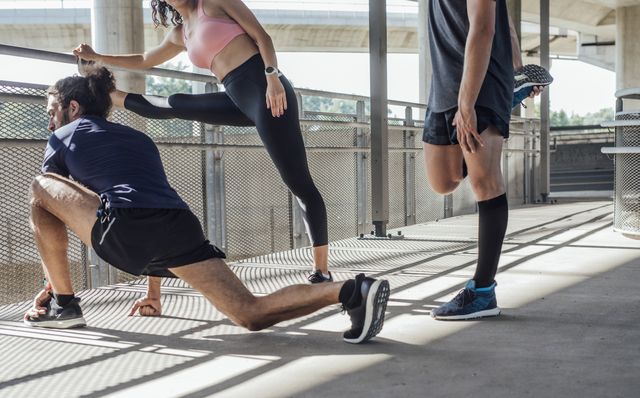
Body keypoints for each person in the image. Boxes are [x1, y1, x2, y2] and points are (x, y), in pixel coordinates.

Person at [22, 67, 390, 345]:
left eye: (53, 110)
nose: (50, 120)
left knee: (39, 187)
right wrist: (152, 295)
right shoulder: (138, 138)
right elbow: (147, 202)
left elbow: (53, 203)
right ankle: (351, 291)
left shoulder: (63, 136)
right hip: (179, 225)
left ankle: (64, 304)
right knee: (249, 313)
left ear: (73, 107)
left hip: (126, 226)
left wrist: (52, 285)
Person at [73, 0, 333, 285]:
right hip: (235, 97)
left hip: (268, 94)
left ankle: (321, 270)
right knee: (175, 103)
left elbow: (262, 37)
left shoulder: (215, 2)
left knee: (298, 183)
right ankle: (108, 95)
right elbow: (145, 59)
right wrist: (98, 57)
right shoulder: (179, 33)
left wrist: (273, 77)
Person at [423, 0, 544, 320]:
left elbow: (485, 26)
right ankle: (514, 89)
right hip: (446, 79)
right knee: (442, 180)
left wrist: (468, 103)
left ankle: (482, 291)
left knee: (484, 180)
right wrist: (516, 56)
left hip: (480, 81)